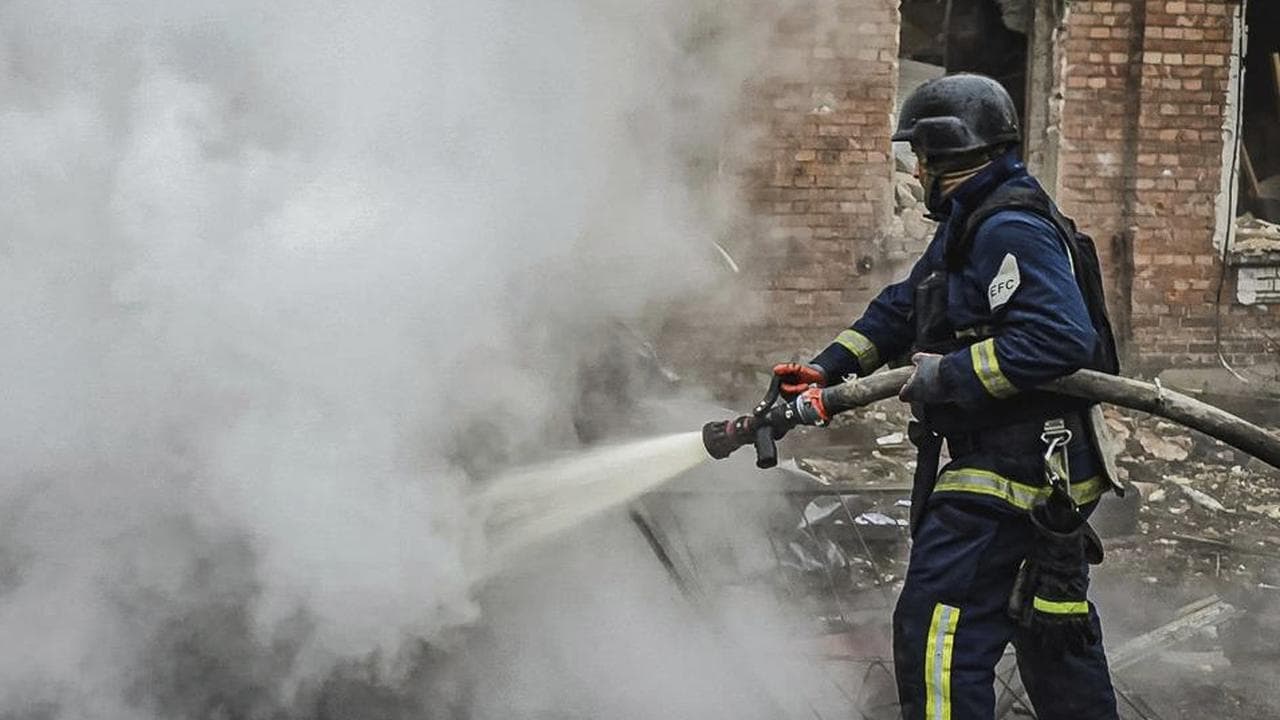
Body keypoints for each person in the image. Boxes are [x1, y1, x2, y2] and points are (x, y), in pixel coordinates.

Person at [774, 74, 1123, 720]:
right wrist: (828, 369)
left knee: (936, 632)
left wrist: (946, 377)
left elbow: (1060, 338)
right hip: (1037, 474)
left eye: (920, 156)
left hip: (1014, 474)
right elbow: (908, 306)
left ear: (945, 153)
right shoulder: (972, 223)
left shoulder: (1008, 228)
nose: (915, 167)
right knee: (1052, 633)